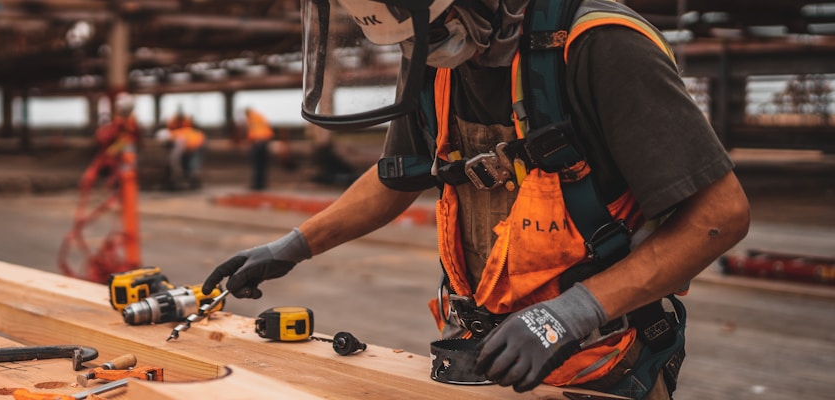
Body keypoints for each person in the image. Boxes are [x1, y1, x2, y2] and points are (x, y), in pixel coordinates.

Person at [201, 1, 749, 399]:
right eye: (415, 37)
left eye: (437, 29)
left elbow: (720, 216)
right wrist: (293, 245)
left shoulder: (600, 47)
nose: (425, 48)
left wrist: (570, 315)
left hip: (600, 363)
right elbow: (399, 176)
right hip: (479, 356)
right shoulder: (435, 59)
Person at [242, 107, 274, 190]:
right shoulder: (260, 116)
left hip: (257, 143)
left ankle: (257, 185)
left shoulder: (251, 119)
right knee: (262, 165)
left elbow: (251, 131)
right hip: (265, 141)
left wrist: (250, 142)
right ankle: (262, 184)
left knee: (256, 165)